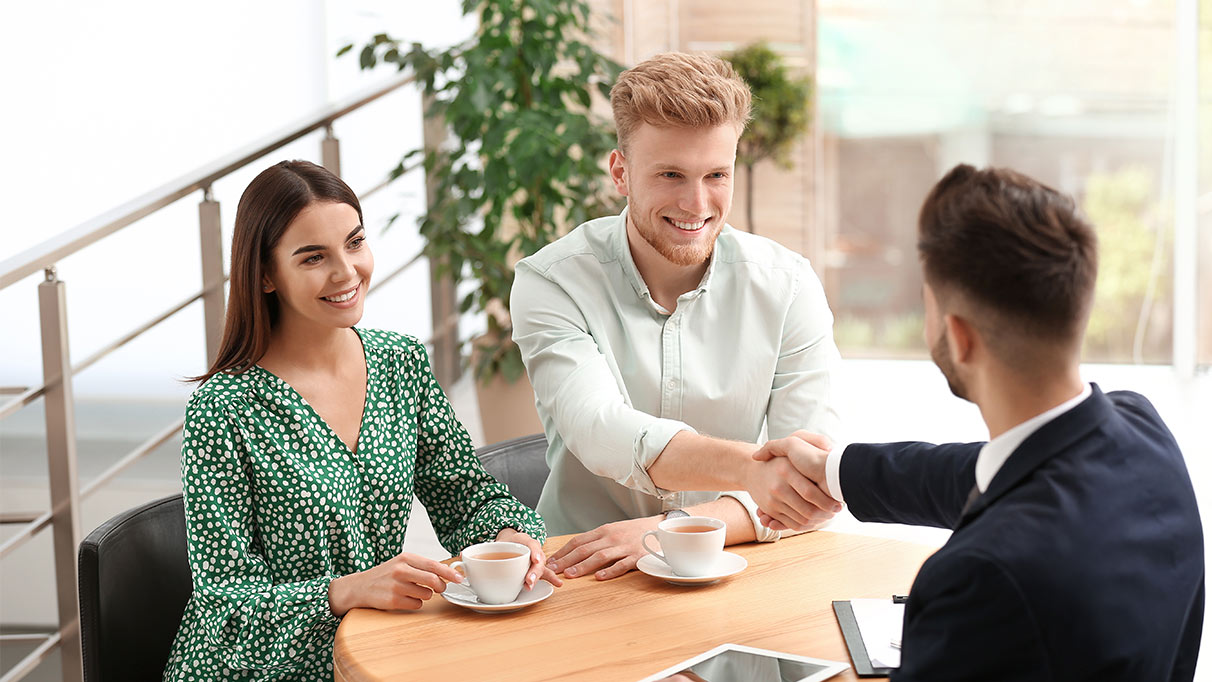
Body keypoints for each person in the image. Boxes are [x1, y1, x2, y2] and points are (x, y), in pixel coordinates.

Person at [755, 165, 1204, 681]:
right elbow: (982, 472)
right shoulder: (1143, 433)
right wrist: (832, 469)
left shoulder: (982, 579)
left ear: (960, 337)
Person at [164, 160, 559, 681]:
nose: (346, 273)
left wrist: (507, 535)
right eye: (313, 258)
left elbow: (464, 494)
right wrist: (344, 590)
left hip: (377, 651)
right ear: (264, 274)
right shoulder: (224, 408)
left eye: (354, 243)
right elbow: (225, 604)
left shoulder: (401, 363)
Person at [510, 52, 842, 583]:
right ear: (620, 171)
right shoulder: (552, 281)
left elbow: (811, 487)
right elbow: (601, 431)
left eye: (716, 174)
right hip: (581, 570)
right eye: (671, 174)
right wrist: (757, 473)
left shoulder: (788, 285)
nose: (697, 203)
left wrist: (678, 525)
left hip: (735, 564)